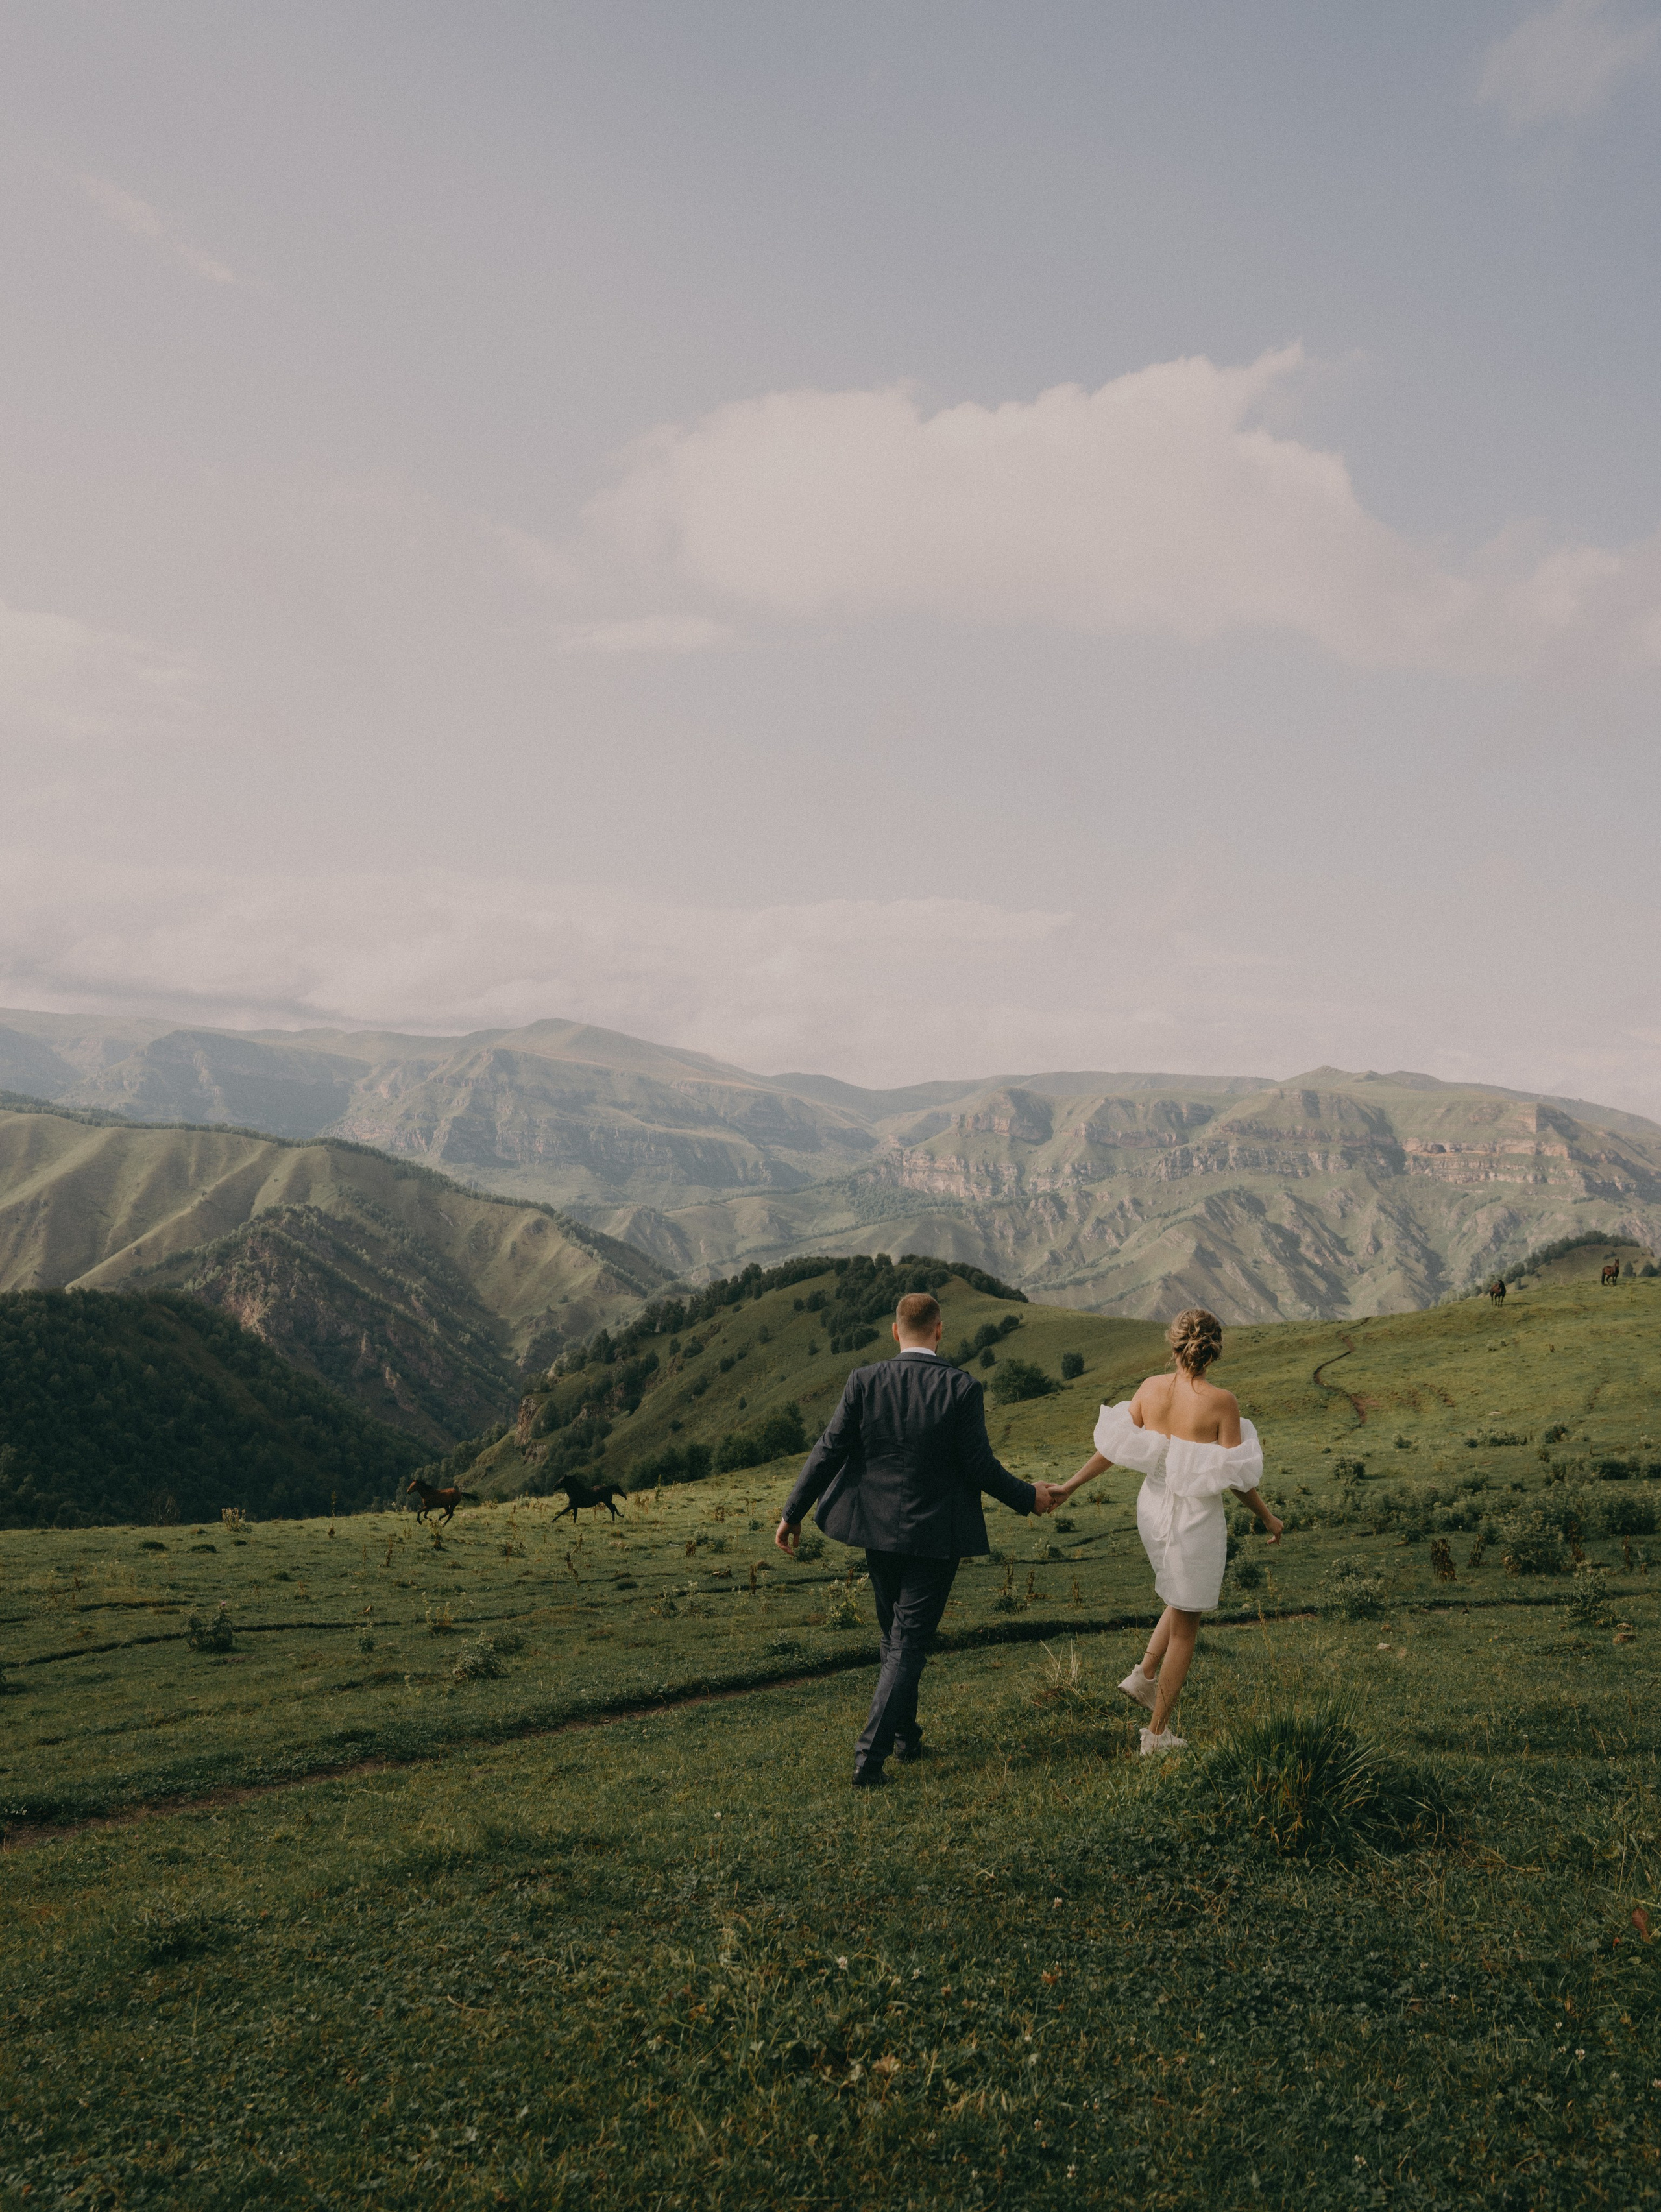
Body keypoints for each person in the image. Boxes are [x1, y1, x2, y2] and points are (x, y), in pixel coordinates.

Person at [777, 1291, 1060, 1785]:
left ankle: (906, 1738)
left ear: (895, 1331)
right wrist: (1028, 1497)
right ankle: (870, 1760)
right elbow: (979, 1467)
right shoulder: (962, 1388)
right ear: (939, 1330)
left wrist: (792, 1512)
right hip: (935, 1535)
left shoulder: (864, 1381)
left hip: (876, 1530)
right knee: (905, 1643)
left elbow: (828, 1449)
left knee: (895, 1638)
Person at [1053, 1306, 1281, 1755]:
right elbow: (1238, 1478)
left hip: (1152, 1509)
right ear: (1214, 1349)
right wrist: (1268, 1518)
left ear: (1174, 1344)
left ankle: (1144, 1675)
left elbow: (1112, 1448)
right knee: (1187, 1625)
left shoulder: (1150, 1388)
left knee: (1180, 1595)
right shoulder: (1222, 1402)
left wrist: (1070, 1485)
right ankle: (1156, 1735)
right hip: (1194, 1517)